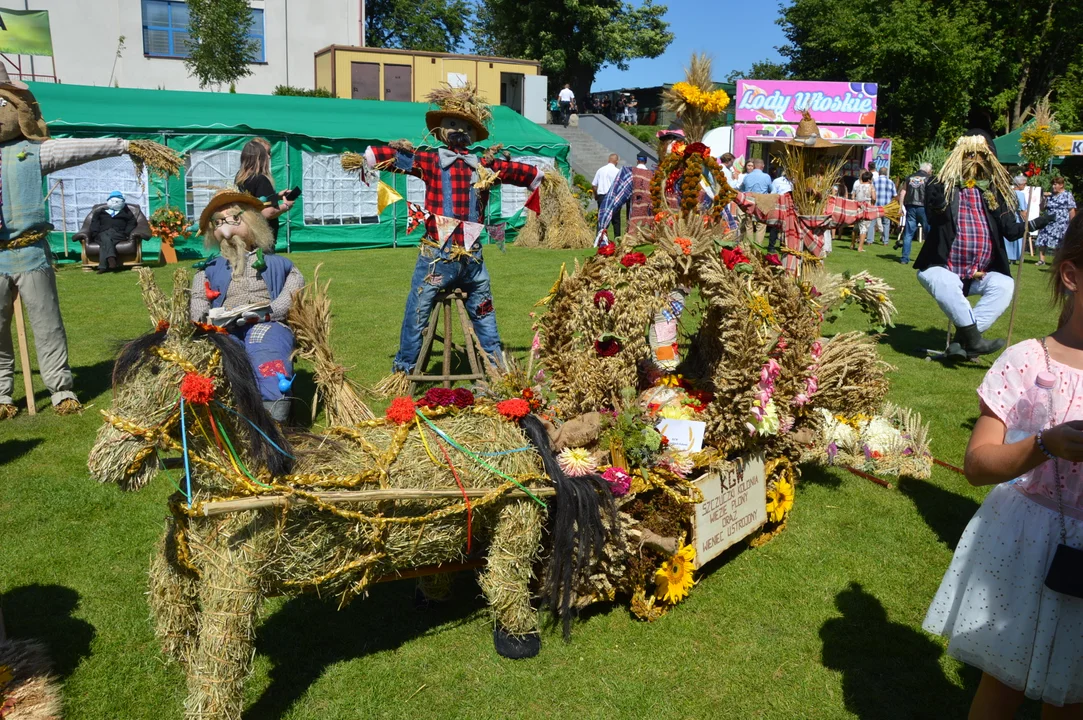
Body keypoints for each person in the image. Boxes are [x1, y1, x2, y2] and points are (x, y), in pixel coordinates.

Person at [923, 213, 1083, 719]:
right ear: (1072, 275)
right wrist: (1044, 444)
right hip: (1027, 545)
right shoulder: (1028, 361)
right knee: (1003, 682)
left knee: (1072, 691)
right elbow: (977, 464)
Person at [0, 67, 178, 419]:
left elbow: (81, 149)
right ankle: (2, 394)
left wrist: (126, 145)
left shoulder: (35, 153)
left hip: (31, 252)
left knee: (47, 323)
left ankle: (61, 389)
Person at [362, 84, 543, 381]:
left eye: (465, 127)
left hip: (472, 261)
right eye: (453, 125)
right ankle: (405, 370)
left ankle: (497, 374)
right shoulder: (431, 160)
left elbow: (513, 171)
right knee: (418, 311)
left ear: (473, 134)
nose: (459, 132)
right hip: (437, 258)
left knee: (483, 314)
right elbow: (400, 158)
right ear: (442, 132)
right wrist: (371, 156)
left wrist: (535, 177)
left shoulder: (485, 164)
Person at [914, 129, 1053, 358]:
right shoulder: (943, 186)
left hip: (979, 274)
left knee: (1004, 286)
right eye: (969, 155)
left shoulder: (997, 192)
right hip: (943, 268)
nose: (975, 161)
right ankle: (975, 342)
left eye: (981, 156)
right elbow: (935, 217)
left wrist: (1038, 222)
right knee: (945, 282)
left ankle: (962, 343)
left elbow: (1010, 231)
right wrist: (938, 203)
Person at [189, 190, 303, 422]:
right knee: (226, 354)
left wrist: (273, 311)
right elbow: (199, 297)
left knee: (265, 347)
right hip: (224, 327)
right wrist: (204, 317)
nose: (226, 228)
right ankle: (234, 412)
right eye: (218, 223)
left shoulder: (277, 263)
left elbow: (294, 286)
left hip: (266, 322)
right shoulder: (208, 269)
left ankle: (273, 414)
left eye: (233, 220)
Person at [235, 139, 293, 243]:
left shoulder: (240, 177)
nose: (270, 157)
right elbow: (267, 212)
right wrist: (286, 206)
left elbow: (255, 201)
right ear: (258, 156)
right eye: (267, 153)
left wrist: (276, 196)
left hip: (248, 234)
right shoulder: (261, 179)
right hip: (263, 238)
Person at [88, 190, 137, 273]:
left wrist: (126, 233)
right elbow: (94, 223)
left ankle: (103, 267)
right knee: (106, 236)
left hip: (118, 234)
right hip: (101, 233)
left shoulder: (126, 213)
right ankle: (111, 258)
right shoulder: (100, 212)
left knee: (105, 240)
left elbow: (132, 222)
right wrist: (95, 233)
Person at [1036, 177, 1077, 266]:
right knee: (1042, 239)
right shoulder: (1050, 196)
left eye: (1055, 184)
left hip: (1061, 223)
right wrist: (1044, 198)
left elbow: (1071, 210)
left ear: (1061, 185)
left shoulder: (1067, 195)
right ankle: (1041, 260)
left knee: (1059, 242)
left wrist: (1072, 223)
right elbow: (1042, 208)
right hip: (1049, 221)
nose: (1053, 186)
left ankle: (1056, 261)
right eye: (1053, 184)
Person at [897, 162, 933, 264]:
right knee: (929, 234)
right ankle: (928, 258)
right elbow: (931, 194)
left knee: (908, 234)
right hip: (924, 208)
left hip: (910, 207)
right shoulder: (929, 179)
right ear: (928, 170)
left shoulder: (910, 177)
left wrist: (900, 206)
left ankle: (904, 258)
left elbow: (903, 192)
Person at [738, 158, 772, 245]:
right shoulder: (766, 176)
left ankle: (749, 245)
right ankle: (757, 247)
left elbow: (742, 189)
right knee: (761, 225)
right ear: (762, 166)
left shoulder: (746, 177)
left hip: (749, 202)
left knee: (748, 225)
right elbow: (771, 189)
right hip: (761, 201)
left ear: (754, 166)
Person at [592, 154, 622, 238]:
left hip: (602, 197)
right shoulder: (618, 171)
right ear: (616, 161)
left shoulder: (600, 170)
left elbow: (594, 185)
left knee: (601, 219)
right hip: (613, 197)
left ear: (608, 160)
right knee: (616, 220)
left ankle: (600, 238)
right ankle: (617, 238)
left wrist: (596, 195)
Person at [868, 171, 897, 246]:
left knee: (872, 224)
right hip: (886, 207)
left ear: (879, 173)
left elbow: (870, 193)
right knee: (886, 224)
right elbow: (894, 195)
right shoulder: (890, 182)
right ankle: (885, 242)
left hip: (875, 206)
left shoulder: (874, 181)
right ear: (886, 173)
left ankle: (869, 241)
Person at [1005, 174, 1030, 263]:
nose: (1025, 185)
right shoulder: (1020, 194)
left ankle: (1009, 256)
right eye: (1024, 184)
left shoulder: (1008, 192)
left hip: (1007, 217)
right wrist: (1027, 222)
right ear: (1019, 184)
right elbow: (1023, 210)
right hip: (1016, 218)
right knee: (1017, 238)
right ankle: (1015, 256)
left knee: (1008, 238)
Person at [627, 152, 653, 234]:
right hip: (648, 201)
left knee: (634, 217)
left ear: (637, 161)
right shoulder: (651, 173)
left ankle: (633, 234)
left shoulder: (632, 171)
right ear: (645, 161)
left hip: (635, 199)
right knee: (646, 218)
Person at [767, 169, 793, 253]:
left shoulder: (795, 182)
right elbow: (773, 193)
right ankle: (771, 246)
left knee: (787, 227)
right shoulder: (777, 181)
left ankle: (783, 246)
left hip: (790, 207)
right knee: (775, 226)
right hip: (779, 205)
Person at [850, 171, 874, 252]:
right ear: (869, 179)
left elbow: (853, 196)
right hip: (866, 208)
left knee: (856, 227)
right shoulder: (871, 186)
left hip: (857, 207)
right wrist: (872, 205)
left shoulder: (857, 186)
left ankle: (852, 244)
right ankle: (860, 247)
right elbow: (874, 198)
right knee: (864, 228)